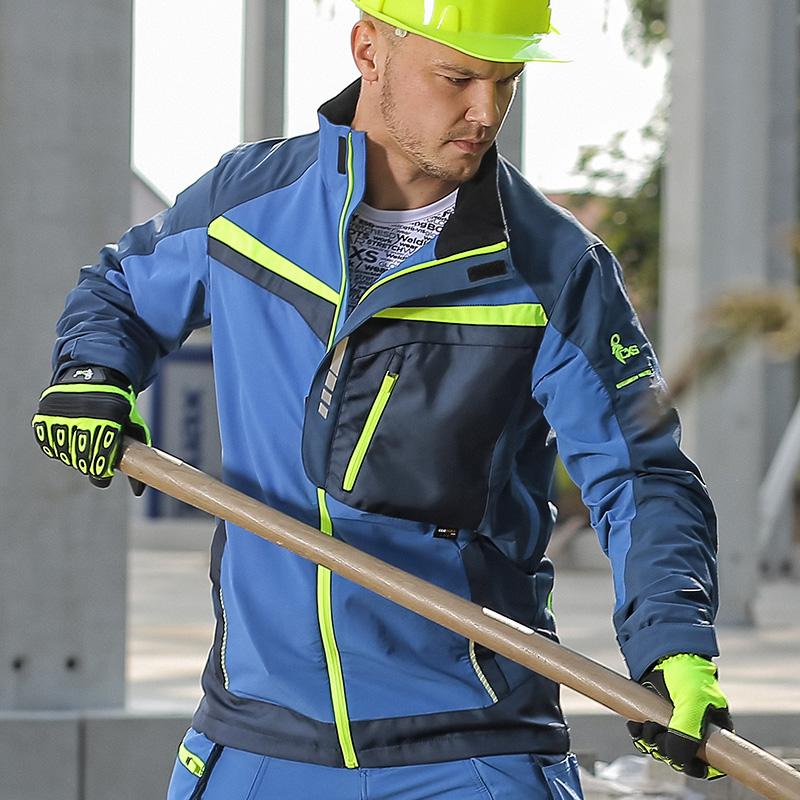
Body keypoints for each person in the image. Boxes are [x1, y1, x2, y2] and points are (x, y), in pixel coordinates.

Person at [32, 1, 733, 797]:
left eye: (506, 81)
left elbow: (638, 472)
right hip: (258, 738)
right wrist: (92, 375)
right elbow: (120, 290)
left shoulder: (552, 268)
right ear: (369, 50)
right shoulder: (248, 201)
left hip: (470, 748)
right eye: (458, 78)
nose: (486, 112)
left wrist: (673, 641)